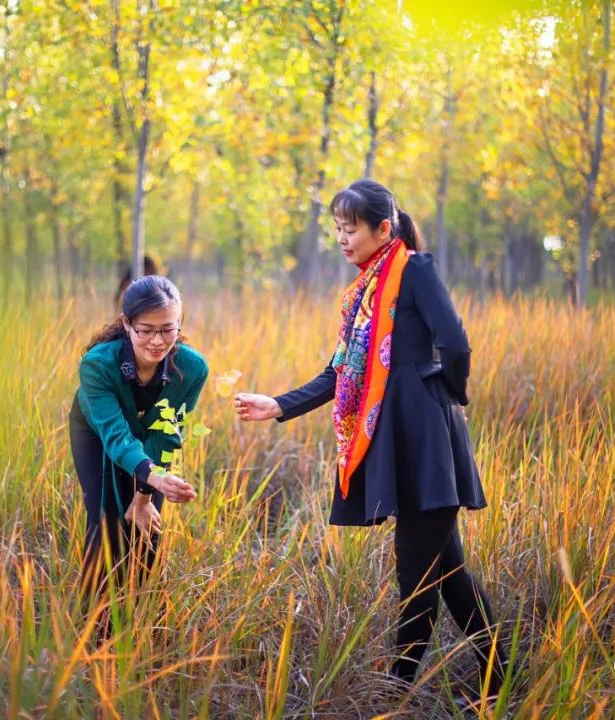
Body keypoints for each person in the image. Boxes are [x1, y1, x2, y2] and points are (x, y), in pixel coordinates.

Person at [234, 179, 504, 701]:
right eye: (337, 227)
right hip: (399, 440)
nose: (342, 237)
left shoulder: (414, 270)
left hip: (425, 439)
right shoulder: (364, 293)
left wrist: (441, 396)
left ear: (383, 228)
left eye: (350, 227)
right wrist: (279, 405)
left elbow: (456, 343)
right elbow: (342, 371)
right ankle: (500, 673)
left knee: (416, 576)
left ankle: (393, 693)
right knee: (447, 573)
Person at [71, 275, 207, 592]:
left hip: (151, 444)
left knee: (147, 529)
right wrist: (156, 478)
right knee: (108, 524)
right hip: (97, 436)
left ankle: (139, 620)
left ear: (180, 322)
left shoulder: (192, 368)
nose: (157, 341)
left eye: (168, 329)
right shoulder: (97, 365)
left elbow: (166, 434)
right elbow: (116, 437)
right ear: (127, 323)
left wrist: (146, 494)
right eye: (145, 330)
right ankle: (91, 625)